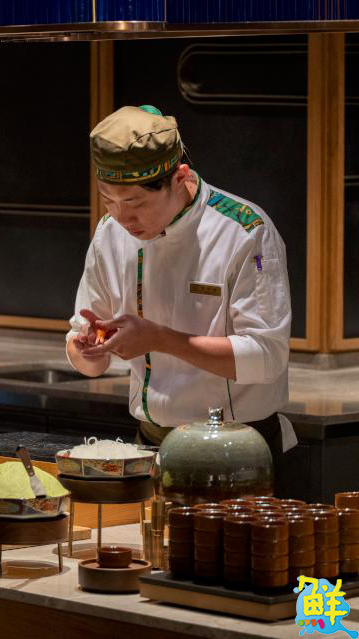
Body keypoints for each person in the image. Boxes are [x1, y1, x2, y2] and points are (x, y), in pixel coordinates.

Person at [66, 104, 296, 470]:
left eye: (135, 203)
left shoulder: (244, 232)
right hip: (149, 446)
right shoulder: (110, 233)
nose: (122, 218)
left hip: (237, 450)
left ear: (179, 177)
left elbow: (266, 358)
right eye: (108, 199)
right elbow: (86, 351)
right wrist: (88, 351)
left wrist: (160, 339)